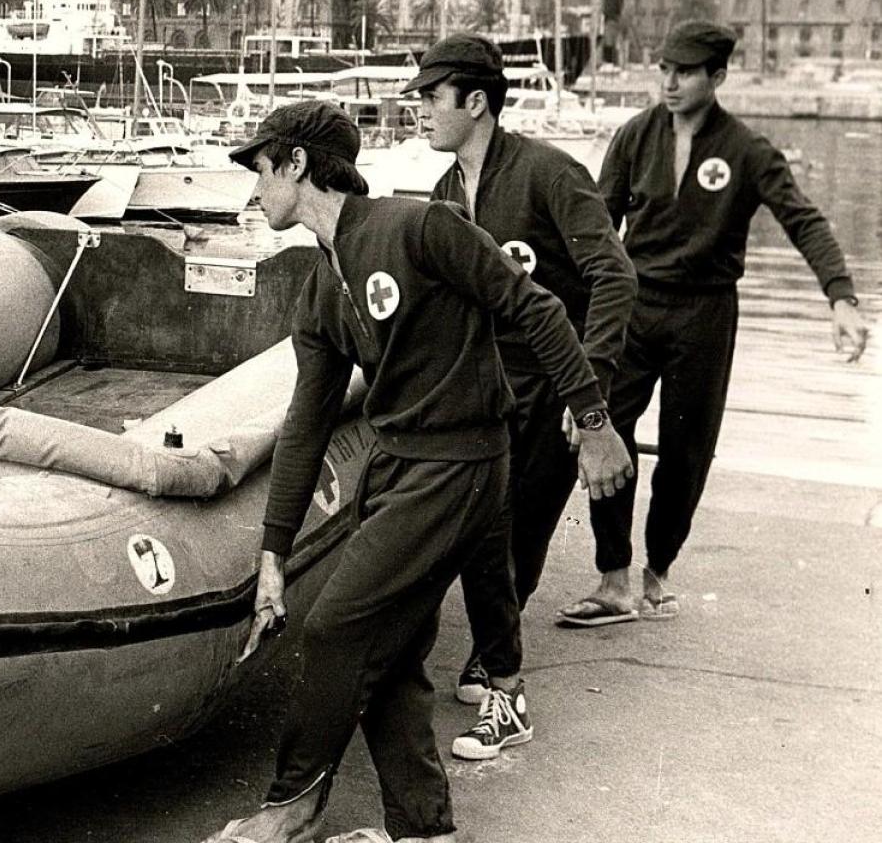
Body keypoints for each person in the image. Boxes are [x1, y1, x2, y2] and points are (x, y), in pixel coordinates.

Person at [203, 102, 633, 843]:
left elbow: (538, 310)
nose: (253, 188)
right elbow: (306, 424)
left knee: (336, 628)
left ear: (298, 164)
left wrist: (593, 423)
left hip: (462, 463)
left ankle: (292, 806)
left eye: (260, 167)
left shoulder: (419, 228)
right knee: (393, 653)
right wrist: (273, 552)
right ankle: (423, 829)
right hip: (398, 465)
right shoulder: (321, 287)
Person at [556, 20, 869, 628]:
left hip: (705, 312)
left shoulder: (747, 149)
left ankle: (657, 573)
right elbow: (595, 227)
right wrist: (572, 309)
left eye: (685, 72)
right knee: (607, 429)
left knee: (687, 449)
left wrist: (841, 298)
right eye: (665, 69)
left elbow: (804, 220)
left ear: (717, 76)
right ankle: (613, 578)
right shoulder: (634, 135)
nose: (670, 82)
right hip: (634, 305)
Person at [406, 34, 637, 761]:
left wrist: (589, 389)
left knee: (522, 533)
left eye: (431, 97)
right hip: (488, 388)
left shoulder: (549, 174)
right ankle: (491, 654)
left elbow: (614, 277)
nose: (420, 111)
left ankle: (500, 678)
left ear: (476, 102)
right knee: (481, 531)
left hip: (554, 384)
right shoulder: (445, 194)